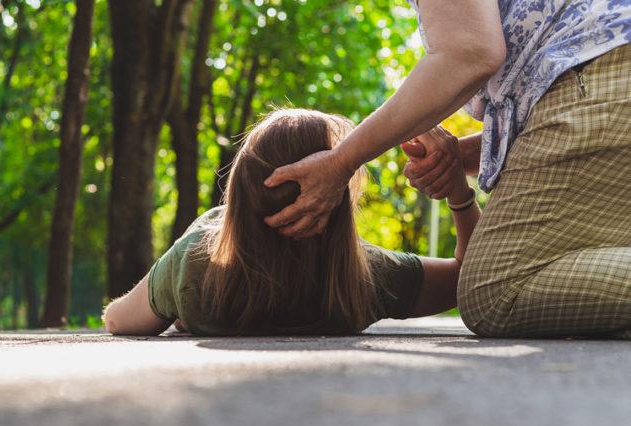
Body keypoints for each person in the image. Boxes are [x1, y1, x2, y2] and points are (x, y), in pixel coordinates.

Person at [262, 1, 631, 337]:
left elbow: (469, 53)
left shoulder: (205, 270)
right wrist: (460, 161)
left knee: (496, 291)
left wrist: (341, 161)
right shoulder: (372, 275)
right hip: (608, 69)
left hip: (600, 74)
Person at [102, 109, 479, 336]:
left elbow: (117, 321)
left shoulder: (196, 264)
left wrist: (197, 245)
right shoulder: (366, 277)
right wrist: (459, 194)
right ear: (337, 202)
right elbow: (470, 278)